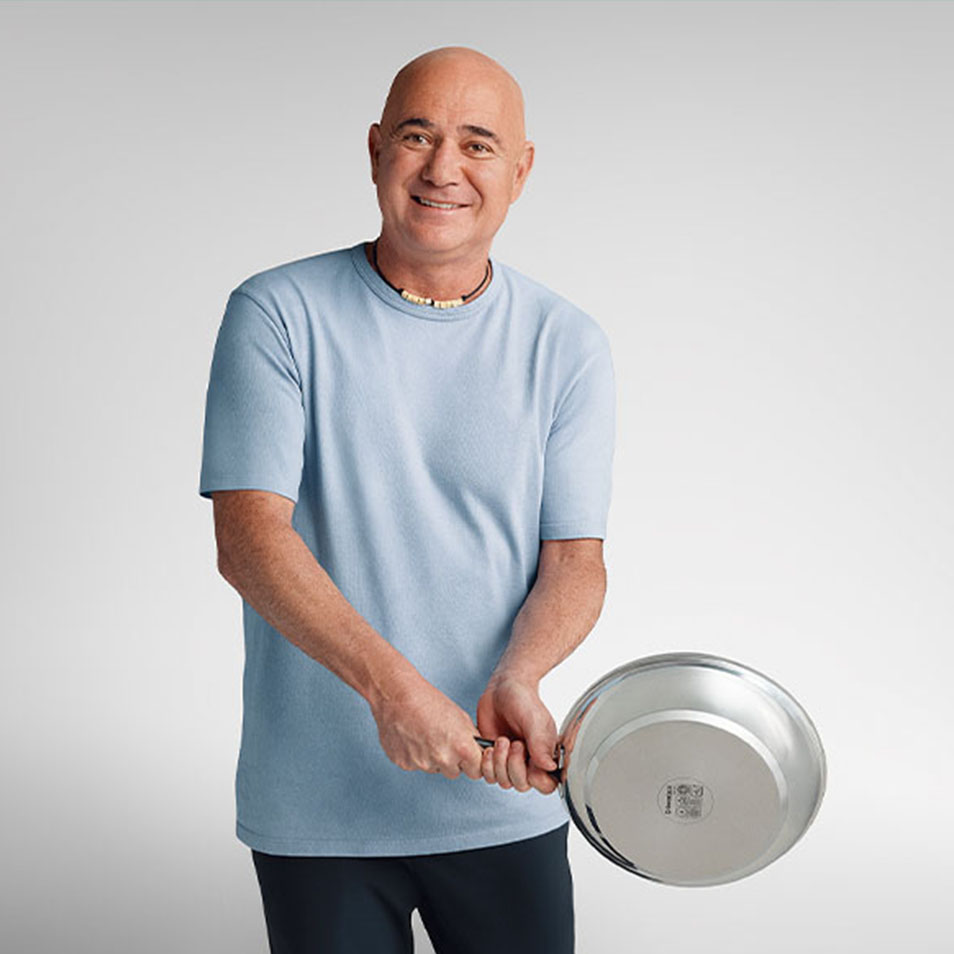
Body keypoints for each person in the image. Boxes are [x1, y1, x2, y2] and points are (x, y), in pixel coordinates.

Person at [198, 45, 615, 954]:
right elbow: (249, 540)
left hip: (499, 797)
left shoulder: (567, 343)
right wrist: (392, 692)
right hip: (318, 807)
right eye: (419, 136)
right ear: (378, 148)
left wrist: (518, 674)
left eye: (477, 143)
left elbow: (574, 561)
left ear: (521, 170)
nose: (443, 170)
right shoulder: (276, 313)